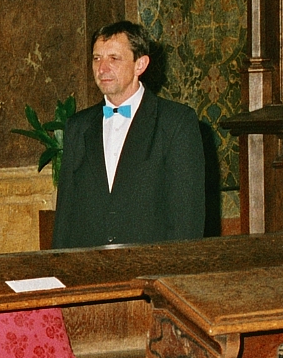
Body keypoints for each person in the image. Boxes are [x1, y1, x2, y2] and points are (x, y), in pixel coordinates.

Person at [51, 20, 205, 249]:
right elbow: (65, 218)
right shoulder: (78, 126)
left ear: (140, 64)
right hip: (90, 266)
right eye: (97, 58)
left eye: (114, 58)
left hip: (151, 267)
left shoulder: (176, 123)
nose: (102, 68)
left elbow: (187, 221)